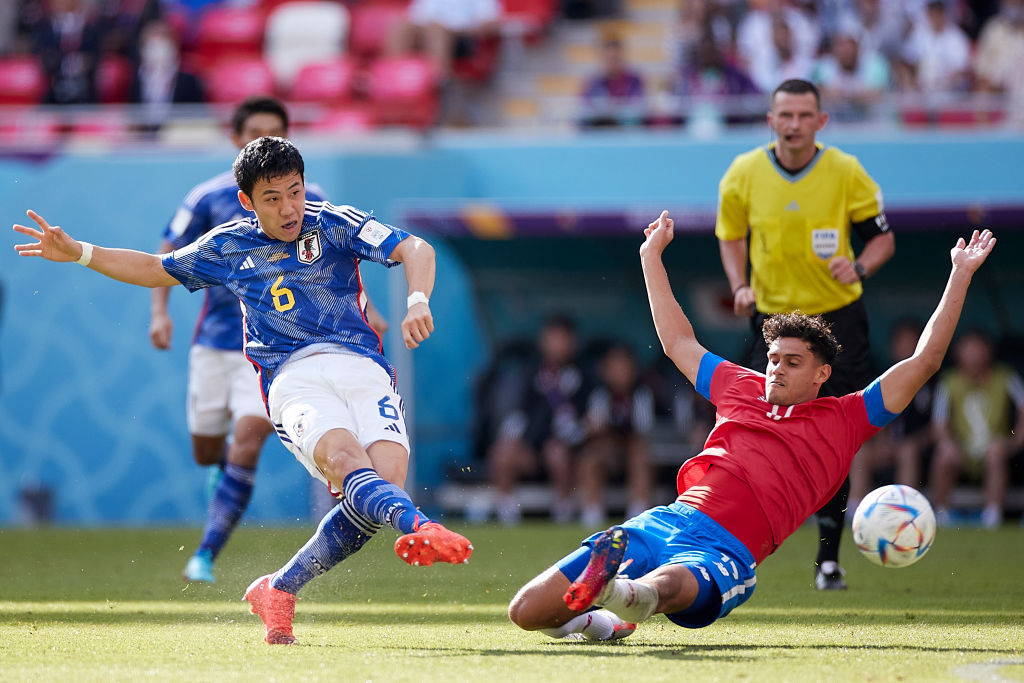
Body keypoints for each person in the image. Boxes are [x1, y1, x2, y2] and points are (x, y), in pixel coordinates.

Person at [14, 136, 473, 646]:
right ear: (247, 201)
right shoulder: (228, 244)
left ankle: (279, 588)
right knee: (351, 466)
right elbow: (152, 269)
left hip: (365, 369)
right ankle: (420, 524)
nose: (289, 207)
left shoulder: (333, 221)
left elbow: (415, 248)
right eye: (272, 198)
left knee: (381, 487)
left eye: (294, 192)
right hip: (294, 379)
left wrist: (416, 300)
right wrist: (78, 252)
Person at [505, 210, 995, 642]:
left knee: (669, 586)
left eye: (792, 362)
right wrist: (650, 257)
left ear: (822, 374)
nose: (776, 368)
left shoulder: (847, 418)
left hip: (727, 549)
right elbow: (677, 341)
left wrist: (960, 275)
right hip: (667, 519)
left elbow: (926, 360)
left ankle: (616, 590)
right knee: (526, 612)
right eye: (773, 358)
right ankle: (605, 617)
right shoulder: (736, 385)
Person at [716, 78, 895, 590]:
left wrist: (859, 266)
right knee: (751, 430)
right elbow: (731, 237)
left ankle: (828, 560)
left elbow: (883, 239)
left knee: (834, 437)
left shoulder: (845, 171)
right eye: (784, 115)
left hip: (836, 320)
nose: (794, 124)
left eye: (804, 115)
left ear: (821, 121)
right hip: (771, 322)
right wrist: (738, 284)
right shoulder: (743, 173)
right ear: (770, 121)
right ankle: (736, 542)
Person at [149, 96, 334, 586]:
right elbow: (164, 257)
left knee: (248, 441)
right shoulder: (208, 198)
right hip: (214, 344)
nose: (264, 143)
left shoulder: (308, 198)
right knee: (207, 450)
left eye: (275, 134)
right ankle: (219, 475)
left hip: (272, 352)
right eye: (254, 133)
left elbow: (339, 264)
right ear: (235, 140)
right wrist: (159, 314)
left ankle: (206, 554)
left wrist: (372, 314)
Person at [486, 315, 590, 525]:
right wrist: (512, 440)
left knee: (557, 452)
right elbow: (517, 415)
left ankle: (563, 512)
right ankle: (507, 513)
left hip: (569, 450)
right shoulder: (529, 373)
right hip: (532, 448)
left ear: (572, 343)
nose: (558, 345)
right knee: (503, 452)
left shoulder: (584, 375)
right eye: (553, 338)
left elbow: (590, 420)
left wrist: (570, 440)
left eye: (563, 339)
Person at [930, 330, 1024, 528]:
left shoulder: (1006, 377)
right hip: (962, 452)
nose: (973, 354)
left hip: (996, 450)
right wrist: (948, 444)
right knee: (943, 456)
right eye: (968, 349)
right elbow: (939, 423)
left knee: (995, 453)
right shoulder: (949, 381)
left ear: (988, 351)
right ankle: (942, 515)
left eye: (978, 348)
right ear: (958, 353)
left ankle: (992, 516)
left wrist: (1014, 442)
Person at [848, 319, 935, 512]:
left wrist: (913, 442)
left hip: (918, 449)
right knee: (862, 454)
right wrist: (881, 443)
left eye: (910, 341)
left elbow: (936, 426)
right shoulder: (883, 378)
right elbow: (877, 414)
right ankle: (854, 511)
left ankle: (904, 510)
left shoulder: (932, 382)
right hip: (887, 446)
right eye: (900, 341)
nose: (904, 346)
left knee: (908, 451)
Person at [577, 342, 654, 527]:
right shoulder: (599, 395)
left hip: (632, 452)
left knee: (640, 453)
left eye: (624, 367)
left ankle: (638, 512)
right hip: (607, 452)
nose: (620, 372)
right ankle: (592, 513)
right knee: (590, 459)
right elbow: (589, 429)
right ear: (605, 371)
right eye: (615, 367)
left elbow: (644, 430)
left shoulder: (642, 394)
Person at [578, 36, 646, 129]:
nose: (612, 62)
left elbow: (637, 104)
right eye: (608, 58)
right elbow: (585, 105)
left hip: (624, 127)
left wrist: (614, 110)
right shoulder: (593, 81)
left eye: (615, 58)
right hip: (599, 126)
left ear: (622, 56)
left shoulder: (634, 79)